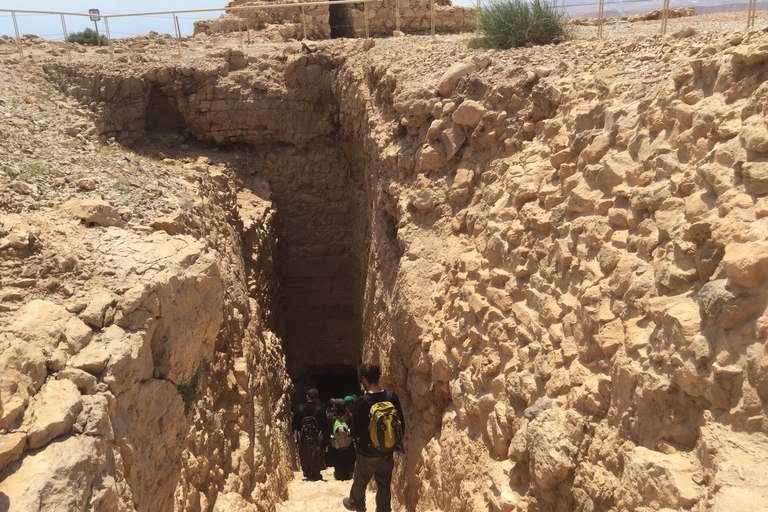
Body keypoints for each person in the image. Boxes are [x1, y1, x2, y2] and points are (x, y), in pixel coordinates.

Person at [343, 364, 405, 512]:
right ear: (378, 377)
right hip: (387, 452)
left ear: (364, 379)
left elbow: (356, 432)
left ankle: (356, 503)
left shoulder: (362, 402)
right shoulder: (391, 396)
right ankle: (383, 509)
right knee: (384, 483)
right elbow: (401, 425)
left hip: (367, 452)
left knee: (360, 481)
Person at [291, 388, 329, 481]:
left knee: (305, 456)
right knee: (319, 455)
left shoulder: (299, 409)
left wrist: (296, 439)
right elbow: (325, 427)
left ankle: (307, 472)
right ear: (317, 398)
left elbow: (294, 425)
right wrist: (326, 442)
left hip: (304, 439)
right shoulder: (320, 410)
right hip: (318, 439)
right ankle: (316, 473)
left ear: (307, 397)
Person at [331, 397, 356, 480]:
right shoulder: (350, 417)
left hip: (336, 444)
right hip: (348, 443)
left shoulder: (332, 418)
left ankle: (339, 474)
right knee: (348, 458)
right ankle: (347, 473)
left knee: (337, 458)